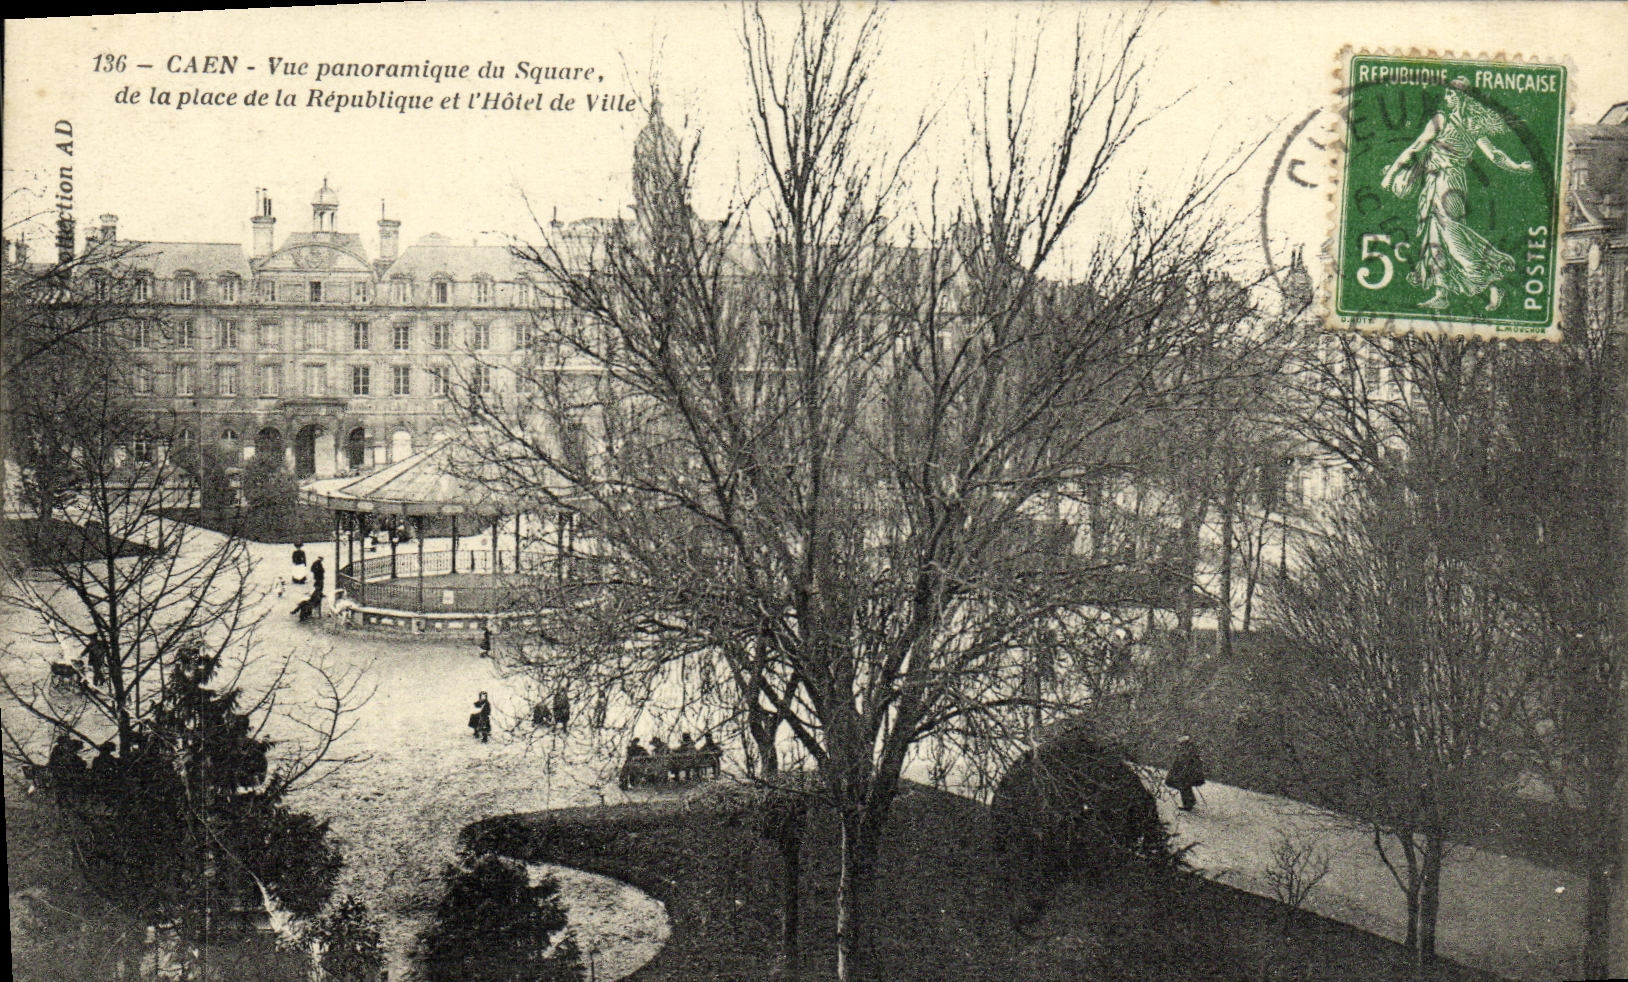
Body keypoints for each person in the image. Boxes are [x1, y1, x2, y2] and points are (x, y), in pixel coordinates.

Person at [1381, 76, 1534, 312]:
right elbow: (1496, 156)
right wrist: (1517, 167)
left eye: (1451, 95)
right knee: (1435, 235)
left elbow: (1415, 148)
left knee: (1451, 234)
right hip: (1445, 181)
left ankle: (1491, 280)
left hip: (1445, 181)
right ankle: (1442, 292)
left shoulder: (1442, 120)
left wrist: (1391, 175)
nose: (1447, 98)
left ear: (1462, 98)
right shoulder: (1473, 127)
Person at [1164, 735, 1206, 812]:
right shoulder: (1188, 749)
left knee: (1183, 785)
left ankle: (1188, 804)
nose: (1179, 745)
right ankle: (1190, 801)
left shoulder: (1188, 750)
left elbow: (1186, 761)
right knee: (1184, 785)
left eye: (1181, 743)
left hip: (1187, 773)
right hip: (1187, 773)